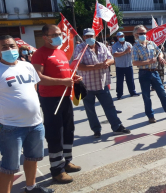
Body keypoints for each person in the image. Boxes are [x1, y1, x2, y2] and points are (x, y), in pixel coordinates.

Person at [0, 36, 54, 193]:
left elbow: (34, 87)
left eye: (12, 46)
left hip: (35, 124)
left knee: (32, 158)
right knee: (9, 167)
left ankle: (31, 187)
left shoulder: (27, 66)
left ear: (18, 47)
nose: (9, 50)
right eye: (4, 47)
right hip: (10, 127)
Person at [31, 25, 82, 183]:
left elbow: (64, 74)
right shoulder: (39, 54)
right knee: (55, 134)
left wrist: (73, 79)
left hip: (65, 97)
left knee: (68, 131)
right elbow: (38, 78)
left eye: (59, 34)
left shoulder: (60, 52)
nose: (58, 37)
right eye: (54, 34)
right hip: (51, 100)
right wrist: (63, 81)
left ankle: (66, 162)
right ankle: (56, 169)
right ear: (45, 37)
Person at [75, 29, 131, 138]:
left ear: (95, 36)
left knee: (109, 106)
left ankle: (117, 126)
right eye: (87, 36)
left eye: (91, 35)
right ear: (83, 37)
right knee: (90, 110)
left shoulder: (102, 46)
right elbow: (78, 65)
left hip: (102, 83)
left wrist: (107, 63)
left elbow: (111, 59)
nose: (89, 38)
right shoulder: (79, 48)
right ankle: (96, 130)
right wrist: (96, 66)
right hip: (87, 84)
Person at [132, 25, 166, 123]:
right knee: (146, 96)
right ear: (136, 35)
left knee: (162, 93)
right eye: (141, 33)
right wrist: (148, 62)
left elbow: (159, 52)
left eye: (145, 33)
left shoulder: (151, 44)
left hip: (154, 71)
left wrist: (160, 57)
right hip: (144, 73)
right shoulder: (135, 47)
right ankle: (151, 116)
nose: (144, 35)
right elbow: (135, 62)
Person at [112, 32, 138, 100]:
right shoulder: (115, 45)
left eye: (122, 36)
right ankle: (119, 94)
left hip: (128, 65)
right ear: (117, 37)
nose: (121, 37)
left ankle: (132, 92)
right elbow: (115, 54)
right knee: (119, 81)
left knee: (130, 80)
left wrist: (129, 51)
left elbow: (132, 53)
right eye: (120, 36)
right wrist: (125, 52)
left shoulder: (128, 44)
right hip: (119, 66)